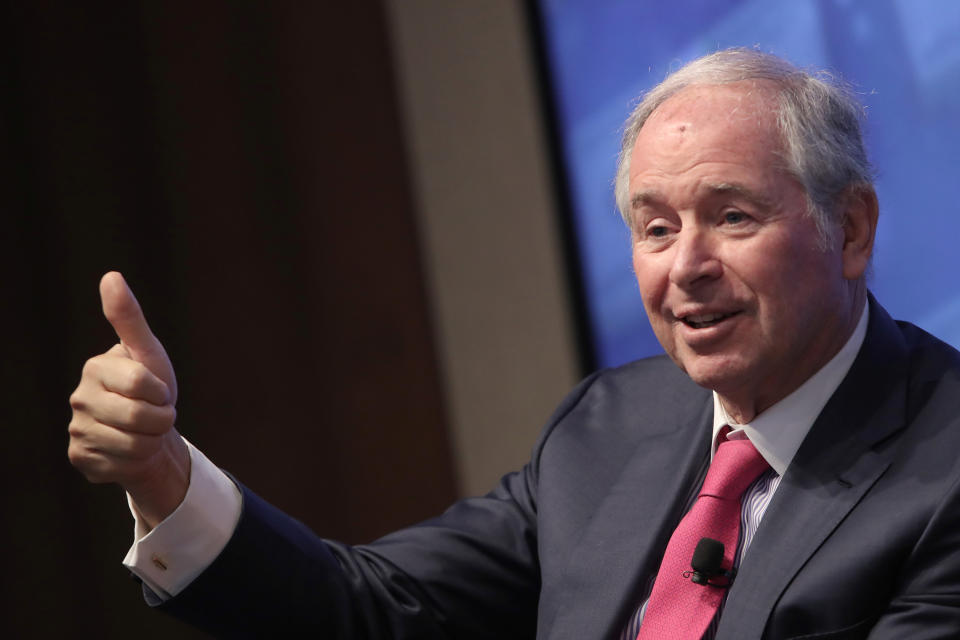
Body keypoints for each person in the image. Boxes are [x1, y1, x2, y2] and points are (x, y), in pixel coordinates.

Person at [68, 49, 960, 639]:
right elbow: (366, 610)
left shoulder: (946, 465)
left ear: (849, 230)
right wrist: (164, 475)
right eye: (654, 229)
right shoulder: (611, 426)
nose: (686, 266)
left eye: (731, 217)